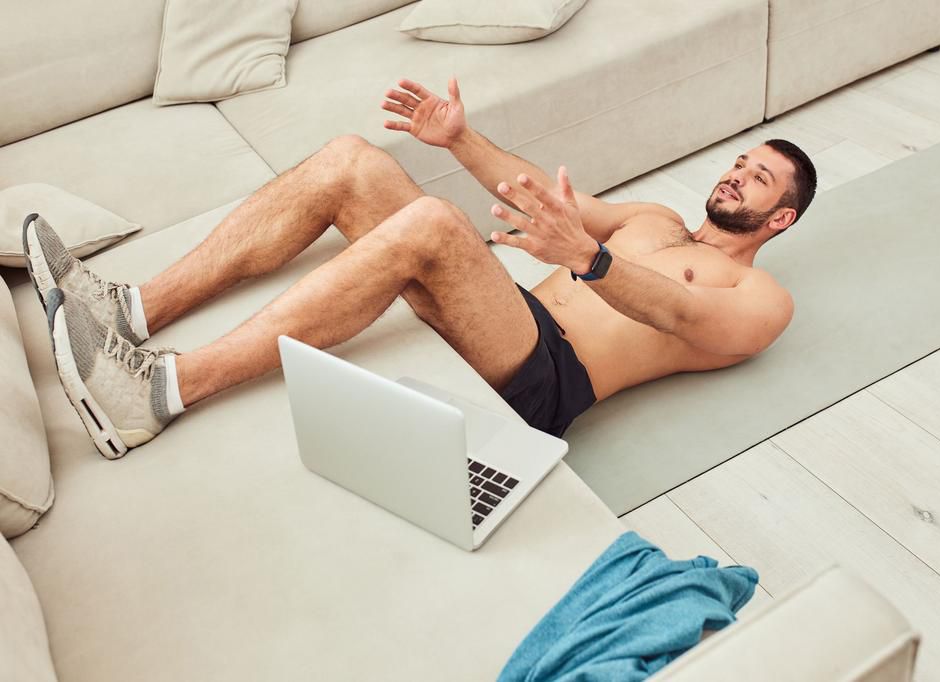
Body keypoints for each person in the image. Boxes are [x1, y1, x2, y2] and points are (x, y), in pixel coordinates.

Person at [25, 77, 816, 459]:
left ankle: (161, 389)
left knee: (432, 224)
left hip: (541, 380)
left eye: (758, 178)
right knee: (351, 161)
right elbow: (533, 191)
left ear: (780, 218)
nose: (736, 174)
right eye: (740, 161)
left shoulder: (761, 295)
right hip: (507, 314)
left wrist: (588, 257)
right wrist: (458, 139)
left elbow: (682, 318)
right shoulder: (655, 220)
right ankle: (133, 308)